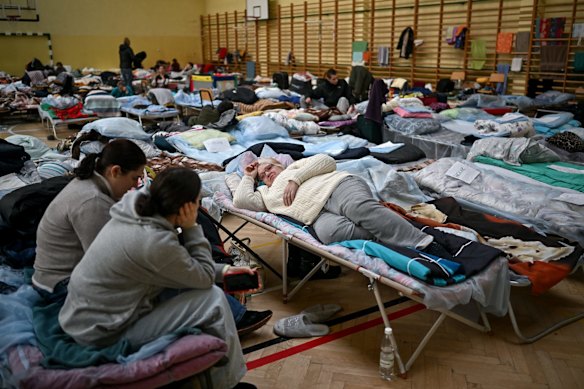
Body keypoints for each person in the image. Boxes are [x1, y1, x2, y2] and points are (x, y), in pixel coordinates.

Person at [58, 167, 252, 389]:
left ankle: (209, 371)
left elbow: (180, 266)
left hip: (85, 317)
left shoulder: (133, 210)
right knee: (213, 299)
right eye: (197, 202)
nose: (199, 208)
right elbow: (203, 276)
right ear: (185, 207)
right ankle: (228, 384)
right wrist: (192, 229)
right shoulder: (155, 243)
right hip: (103, 335)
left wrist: (224, 272)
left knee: (197, 291)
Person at [234, 154, 449, 256]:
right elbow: (241, 201)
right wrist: (249, 176)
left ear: (279, 165)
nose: (268, 173)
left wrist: (295, 179)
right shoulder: (264, 192)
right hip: (317, 216)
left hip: (335, 187)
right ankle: (385, 232)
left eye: (269, 168)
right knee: (328, 235)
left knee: (358, 208)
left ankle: (424, 242)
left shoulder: (294, 169)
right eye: (263, 175)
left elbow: (327, 161)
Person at [33, 139, 148, 299]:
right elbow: (106, 262)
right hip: (57, 283)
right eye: (134, 178)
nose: (136, 185)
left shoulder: (92, 182)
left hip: (58, 272)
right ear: (115, 171)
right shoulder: (92, 201)